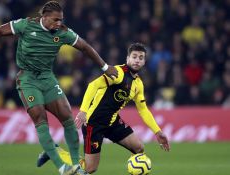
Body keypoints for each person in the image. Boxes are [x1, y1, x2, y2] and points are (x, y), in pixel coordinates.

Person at [0, 1, 118, 175]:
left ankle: (76, 165)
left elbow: (85, 47)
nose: (59, 23)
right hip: (27, 79)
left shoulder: (63, 33)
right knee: (40, 118)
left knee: (68, 117)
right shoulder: (26, 24)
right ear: (44, 17)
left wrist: (105, 67)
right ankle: (62, 167)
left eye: (61, 19)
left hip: (47, 77)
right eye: (55, 20)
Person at [37, 43, 170, 174]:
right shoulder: (118, 73)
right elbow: (92, 86)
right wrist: (83, 111)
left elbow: (143, 110)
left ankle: (135, 170)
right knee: (90, 168)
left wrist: (158, 132)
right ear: (127, 58)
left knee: (139, 148)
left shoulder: (138, 84)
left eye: (141, 58)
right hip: (94, 123)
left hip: (112, 122)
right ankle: (54, 152)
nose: (137, 60)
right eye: (134, 56)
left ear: (144, 62)